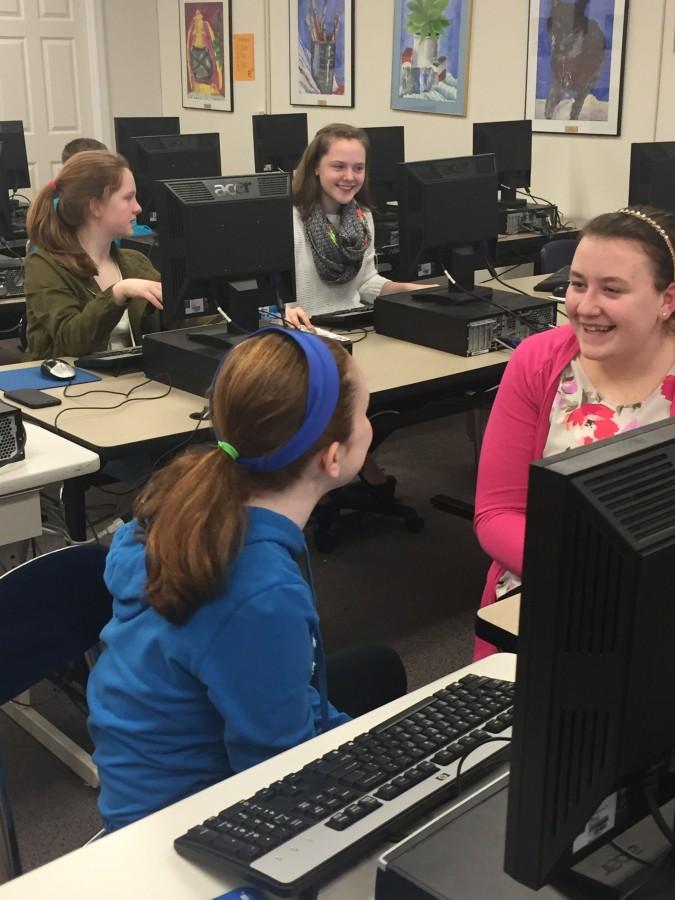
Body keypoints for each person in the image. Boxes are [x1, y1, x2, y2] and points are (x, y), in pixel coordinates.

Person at [86, 327, 407, 831]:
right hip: (178, 830)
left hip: (142, 787)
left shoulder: (189, 503)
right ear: (334, 457)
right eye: (365, 414)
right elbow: (278, 775)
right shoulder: (261, 591)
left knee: (378, 671)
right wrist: (390, 785)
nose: (370, 424)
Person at [474, 206, 675, 659]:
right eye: (577, 284)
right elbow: (496, 513)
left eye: (612, 290)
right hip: (548, 585)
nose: (585, 306)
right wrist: (591, 579)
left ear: (667, 300)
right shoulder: (539, 361)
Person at [284, 123, 431, 328]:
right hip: (305, 333)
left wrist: (410, 289)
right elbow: (269, 301)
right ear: (316, 167)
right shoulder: (289, 220)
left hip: (353, 326)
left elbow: (365, 283)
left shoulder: (362, 217)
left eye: (358, 168)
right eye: (338, 166)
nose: (350, 177)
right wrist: (284, 312)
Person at [24, 150, 163, 359]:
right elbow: (71, 341)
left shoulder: (136, 263)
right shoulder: (44, 266)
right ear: (95, 206)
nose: (138, 208)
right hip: (64, 387)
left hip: (131, 382)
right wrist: (117, 293)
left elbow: (178, 319)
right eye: (128, 198)